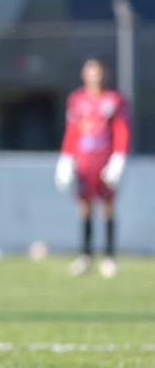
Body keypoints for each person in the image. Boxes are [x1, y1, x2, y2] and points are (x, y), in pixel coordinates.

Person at [55, 58, 129, 278]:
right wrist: (66, 158)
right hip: (84, 162)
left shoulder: (114, 100)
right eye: (90, 72)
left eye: (98, 72)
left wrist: (119, 158)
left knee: (107, 206)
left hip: (104, 160)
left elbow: (121, 130)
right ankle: (86, 256)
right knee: (84, 206)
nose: (95, 76)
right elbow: (72, 131)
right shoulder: (76, 100)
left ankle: (109, 257)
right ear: (84, 75)